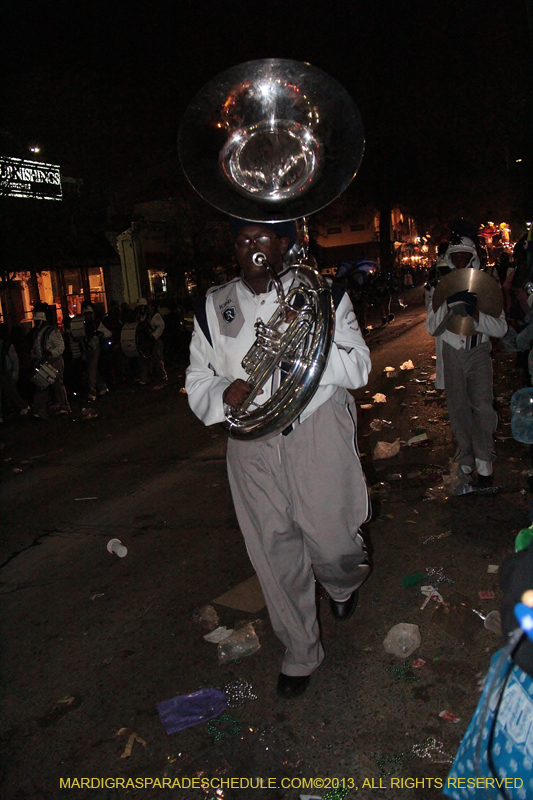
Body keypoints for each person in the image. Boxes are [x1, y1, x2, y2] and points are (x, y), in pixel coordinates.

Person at [186, 219, 372, 698]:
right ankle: (301, 651)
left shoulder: (322, 295)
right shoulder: (214, 304)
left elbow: (358, 365)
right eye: (242, 239)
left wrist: (304, 353)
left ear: (284, 244)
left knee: (333, 541)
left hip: (313, 423)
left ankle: (342, 583)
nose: (252, 247)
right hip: (250, 440)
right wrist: (225, 391)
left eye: (262, 238)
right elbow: (197, 378)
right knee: (273, 549)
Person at [426, 235, 507, 485]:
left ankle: (484, 462)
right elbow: (432, 327)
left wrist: (476, 314)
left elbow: (501, 328)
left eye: (465, 256)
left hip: (478, 351)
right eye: (456, 257)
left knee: (482, 407)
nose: (460, 261)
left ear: (473, 258)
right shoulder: (437, 287)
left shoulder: (485, 285)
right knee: (458, 409)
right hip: (451, 352)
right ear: (449, 259)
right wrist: (448, 305)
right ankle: (465, 460)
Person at [30, 309, 70, 419]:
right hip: (44, 362)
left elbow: (61, 347)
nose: (35, 323)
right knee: (42, 386)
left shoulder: (52, 332)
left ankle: (64, 407)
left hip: (53, 361)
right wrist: (34, 357)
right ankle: (41, 410)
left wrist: (51, 353)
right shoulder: (39, 333)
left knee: (57, 385)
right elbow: (36, 348)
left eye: (37, 321)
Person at [0, 322, 30, 422]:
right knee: (9, 392)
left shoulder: (7, 345)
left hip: (5, 371)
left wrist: (15, 373)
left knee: (11, 392)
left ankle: (21, 406)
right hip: (5, 370)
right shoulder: (6, 345)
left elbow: (14, 360)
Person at [81, 304, 110, 401]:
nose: (88, 316)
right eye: (86, 314)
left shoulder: (97, 324)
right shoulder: (81, 325)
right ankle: (102, 387)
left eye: (89, 313)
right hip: (86, 349)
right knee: (93, 370)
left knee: (91, 371)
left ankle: (92, 392)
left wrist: (100, 333)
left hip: (94, 349)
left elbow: (108, 333)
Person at [135, 298, 167, 384]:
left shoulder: (153, 316)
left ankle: (162, 375)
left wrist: (154, 335)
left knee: (157, 357)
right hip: (144, 341)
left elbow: (161, 325)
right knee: (143, 358)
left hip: (154, 340)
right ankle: (144, 378)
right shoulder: (139, 316)